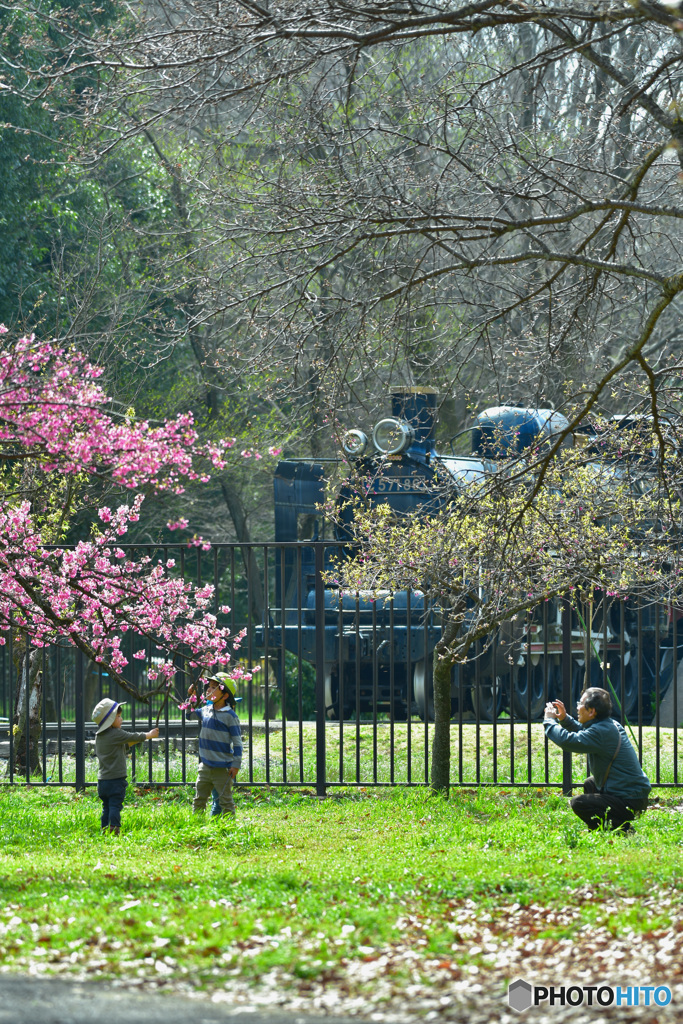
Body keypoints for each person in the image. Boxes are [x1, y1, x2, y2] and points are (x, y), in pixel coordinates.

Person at [544, 687, 651, 833]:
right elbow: (584, 733)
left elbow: (568, 741)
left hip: (630, 800)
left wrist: (549, 721)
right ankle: (601, 828)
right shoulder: (608, 725)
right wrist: (564, 719)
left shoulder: (602, 731)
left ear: (591, 711)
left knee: (579, 803)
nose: (577, 707)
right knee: (591, 783)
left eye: (580, 703)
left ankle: (622, 829)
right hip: (633, 795)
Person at [92, 698, 159, 835]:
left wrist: (134, 741)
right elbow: (131, 736)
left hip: (102, 781)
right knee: (115, 805)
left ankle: (104, 828)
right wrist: (149, 735)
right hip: (116, 779)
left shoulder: (100, 736)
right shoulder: (116, 734)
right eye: (118, 717)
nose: (121, 719)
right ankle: (114, 828)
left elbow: (125, 744)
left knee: (106, 807)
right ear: (109, 721)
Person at [187, 675, 242, 816]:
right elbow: (189, 715)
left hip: (222, 768)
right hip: (205, 765)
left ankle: (229, 830)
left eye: (214, 687)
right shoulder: (206, 710)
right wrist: (191, 697)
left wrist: (235, 764)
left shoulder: (230, 716)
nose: (208, 690)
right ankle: (196, 826)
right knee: (199, 799)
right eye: (208, 686)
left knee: (225, 801)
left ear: (225, 696)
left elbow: (237, 742)